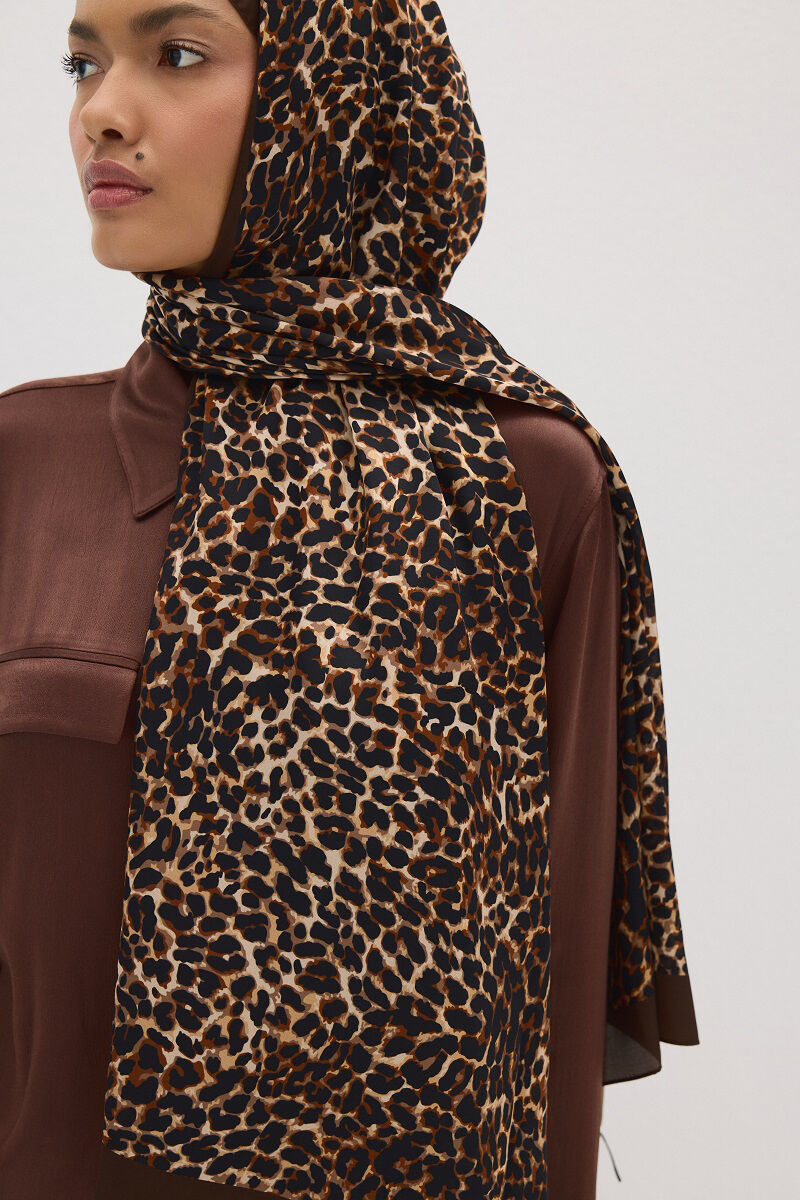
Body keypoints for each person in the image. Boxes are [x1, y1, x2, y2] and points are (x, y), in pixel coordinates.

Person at [0, 2, 699, 1198]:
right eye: (82, 62)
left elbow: (554, 982)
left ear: (335, 102)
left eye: (177, 54)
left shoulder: (525, 481)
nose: (100, 112)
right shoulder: (26, 462)